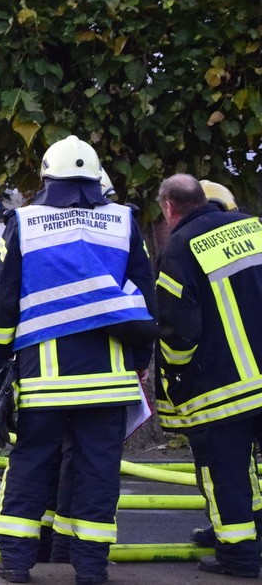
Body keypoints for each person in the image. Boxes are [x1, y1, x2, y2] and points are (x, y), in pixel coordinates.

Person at [0, 135, 157, 584]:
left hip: (43, 378)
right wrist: (140, 357)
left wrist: (0, 361)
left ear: (46, 176)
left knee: (32, 462)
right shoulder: (124, 222)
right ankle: (91, 569)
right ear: (96, 178)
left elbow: (3, 302)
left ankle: (18, 565)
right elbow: (145, 295)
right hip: (109, 380)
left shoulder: (23, 222)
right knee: (98, 471)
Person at [155, 174, 262, 578]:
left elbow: (177, 329)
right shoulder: (255, 227)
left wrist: (177, 377)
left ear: (169, 207)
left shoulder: (178, 248)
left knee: (227, 472)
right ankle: (253, 534)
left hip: (225, 388)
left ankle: (238, 554)